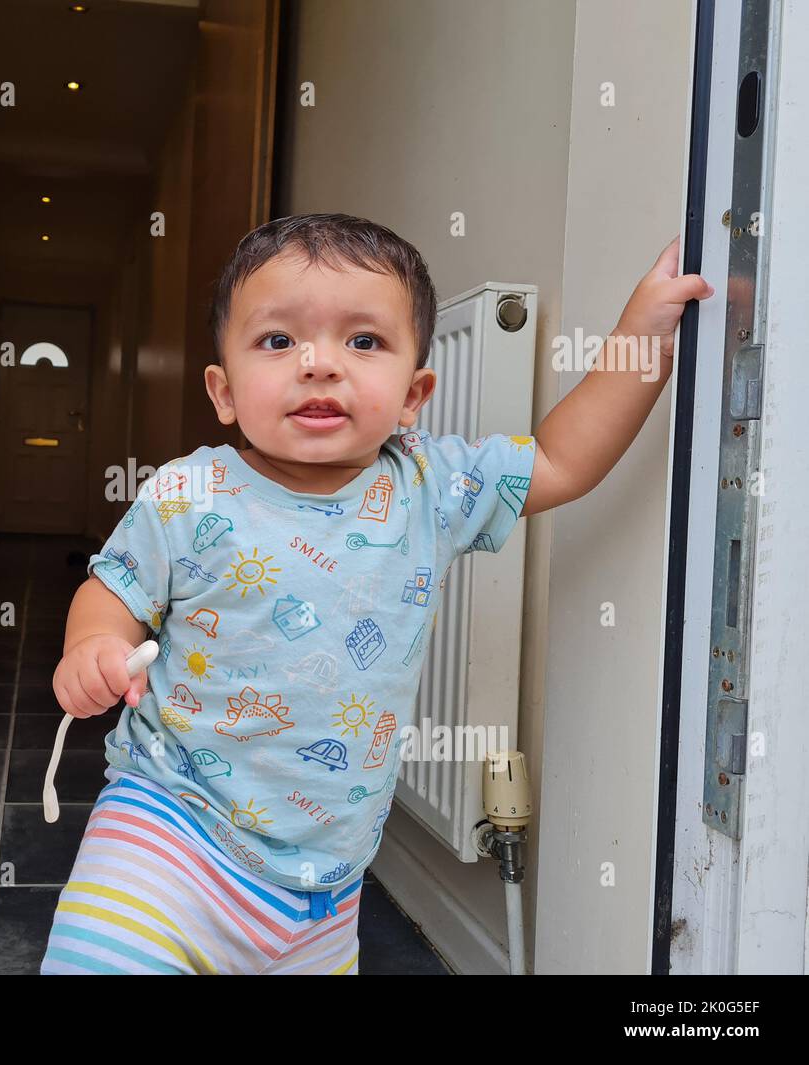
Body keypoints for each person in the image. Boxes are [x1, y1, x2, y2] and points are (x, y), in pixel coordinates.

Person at [40, 213, 713, 975]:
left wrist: (643, 333)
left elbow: (561, 459)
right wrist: (94, 644)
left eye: (363, 341)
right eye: (278, 340)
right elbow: (114, 589)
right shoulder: (190, 492)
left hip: (324, 892)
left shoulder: (430, 487)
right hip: (170, 831)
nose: (320, 363)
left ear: (413, 394)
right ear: (223, 391)